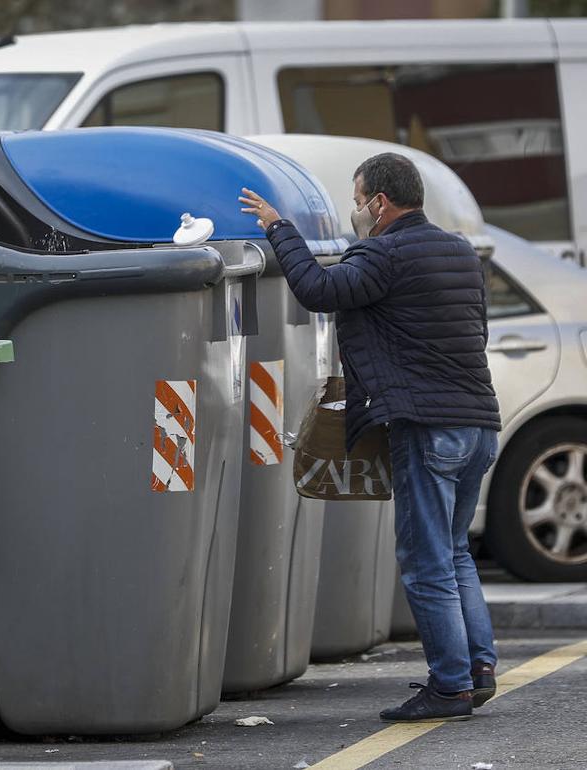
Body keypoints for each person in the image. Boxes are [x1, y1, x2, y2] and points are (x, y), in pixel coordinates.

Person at [239, 153, 502, 723]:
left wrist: (277, 227)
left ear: (379, 203)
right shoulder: (458, 251)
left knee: (425, 562)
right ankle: (477, 671)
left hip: (428, 429)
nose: (357, 211)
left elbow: (316, 288)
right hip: (480, 425)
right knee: (455, 554)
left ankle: (450, 685)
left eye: (358, 201)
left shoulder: (383, 254)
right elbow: (473, 327)